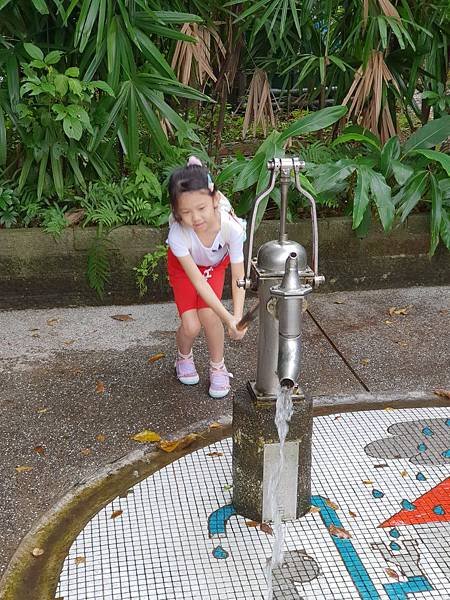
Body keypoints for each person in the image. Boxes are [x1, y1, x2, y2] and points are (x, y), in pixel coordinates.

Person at [167, 156, 247, 398]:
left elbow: (238, 275)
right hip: (185, 269)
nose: (196, 218)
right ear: (177, 213)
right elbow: (198, 282)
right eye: (186, 212)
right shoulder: (179, 235)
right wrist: (229, 319)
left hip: (215, 266)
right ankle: (183, 357)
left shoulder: (231, 228)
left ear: (215, 200)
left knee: (209, 315)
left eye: (201, 208)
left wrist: (237, 317)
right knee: (191, 325)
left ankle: (217, 366)